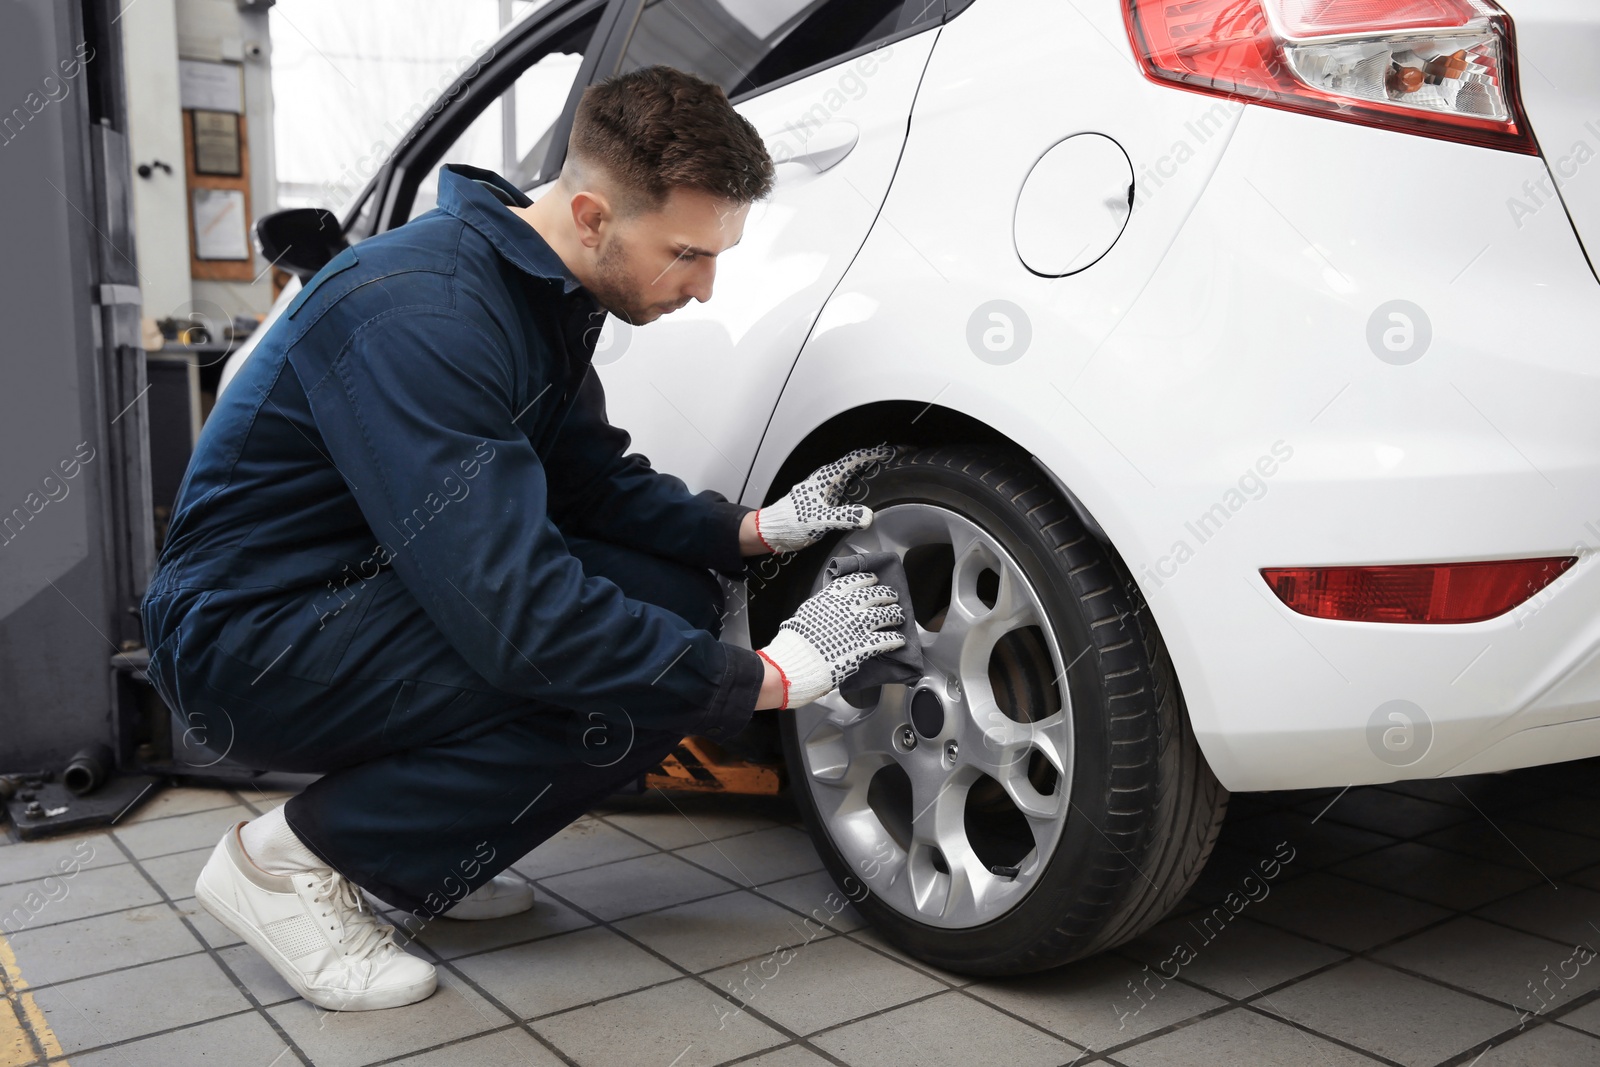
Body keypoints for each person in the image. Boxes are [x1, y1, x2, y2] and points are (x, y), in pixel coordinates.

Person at [139, 65, 905, 1012]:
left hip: (360, 594)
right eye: (686, 254)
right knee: (632, 666)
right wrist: (769, 680)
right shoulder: (423, 314)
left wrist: (749, 529)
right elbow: (516, 615)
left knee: (673, 600)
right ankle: (284, 863)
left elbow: (587, 483)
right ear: (591, 216)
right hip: (248, 638)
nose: (706, 289)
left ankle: (412, 854)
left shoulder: (533, 291)